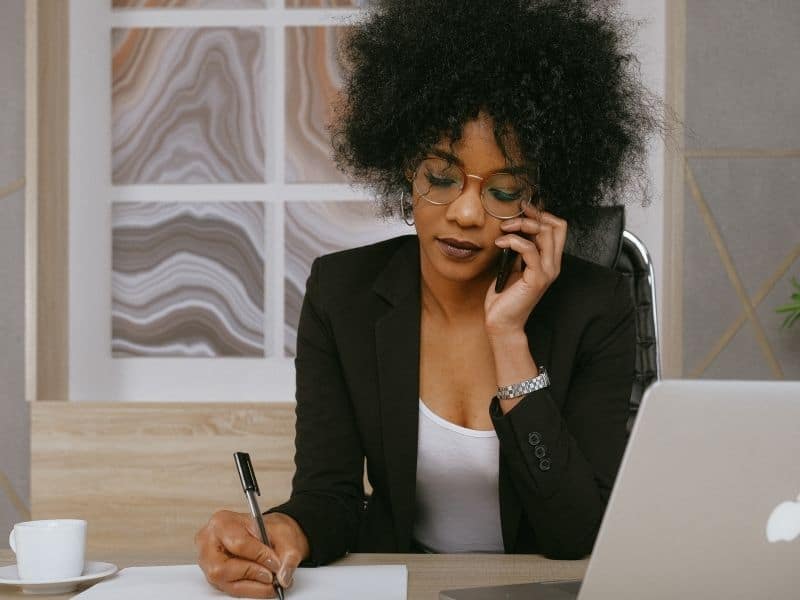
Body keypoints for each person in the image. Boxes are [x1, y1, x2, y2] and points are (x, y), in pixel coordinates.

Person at [195, 0, 658, 596]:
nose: (465, 213)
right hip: (405, 585)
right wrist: (284, 528)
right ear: (402, 171)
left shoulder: (594, 305)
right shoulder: (344, 296)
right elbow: (329, 496)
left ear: (539, 198)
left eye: (504, 188)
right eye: (440, 177)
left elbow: (576, 534)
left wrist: (509, 337)